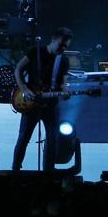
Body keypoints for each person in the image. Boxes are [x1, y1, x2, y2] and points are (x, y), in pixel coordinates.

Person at [10, 26, 73, 171]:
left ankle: (48, 172)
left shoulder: (63, 60)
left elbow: (63, 83)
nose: (63, 48)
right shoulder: (35, 52)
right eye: (61, 44)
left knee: (53, 140)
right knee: (23, 139)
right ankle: (15, 170)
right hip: (31, 103)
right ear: (53, 39)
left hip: (50, 104)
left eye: (66, 46)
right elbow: (18, 68)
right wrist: (24, 89)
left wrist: (65, 92)